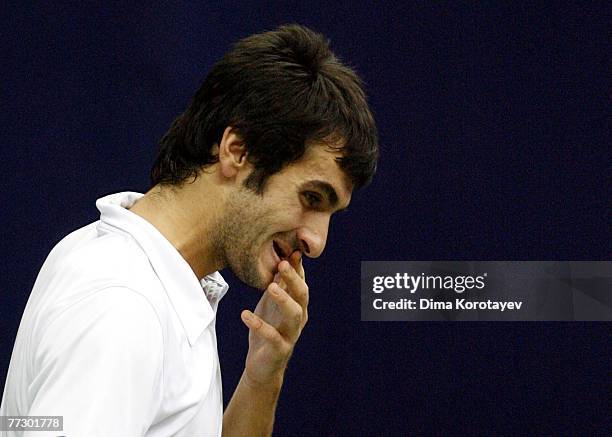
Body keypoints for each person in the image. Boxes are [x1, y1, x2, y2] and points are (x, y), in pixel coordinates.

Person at [0, 24, 378, 436]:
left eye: (330, 212)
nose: (317, 241)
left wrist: (262, 376)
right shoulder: (125, 308)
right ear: (237, 150)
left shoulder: (152, 280)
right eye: (311, 198)